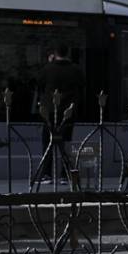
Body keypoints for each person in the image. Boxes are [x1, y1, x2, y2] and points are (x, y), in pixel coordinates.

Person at [34, 44, 85, 184]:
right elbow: (81, 86)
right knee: (66, 143)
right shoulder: (76, 69)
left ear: (54, 54)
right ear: (67, 53)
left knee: (48, 142)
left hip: (50, 111)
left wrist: (50, 63)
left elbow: (39, 82)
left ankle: (46, 174)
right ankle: (65, 174)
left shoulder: (48, 69)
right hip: (68, 111)